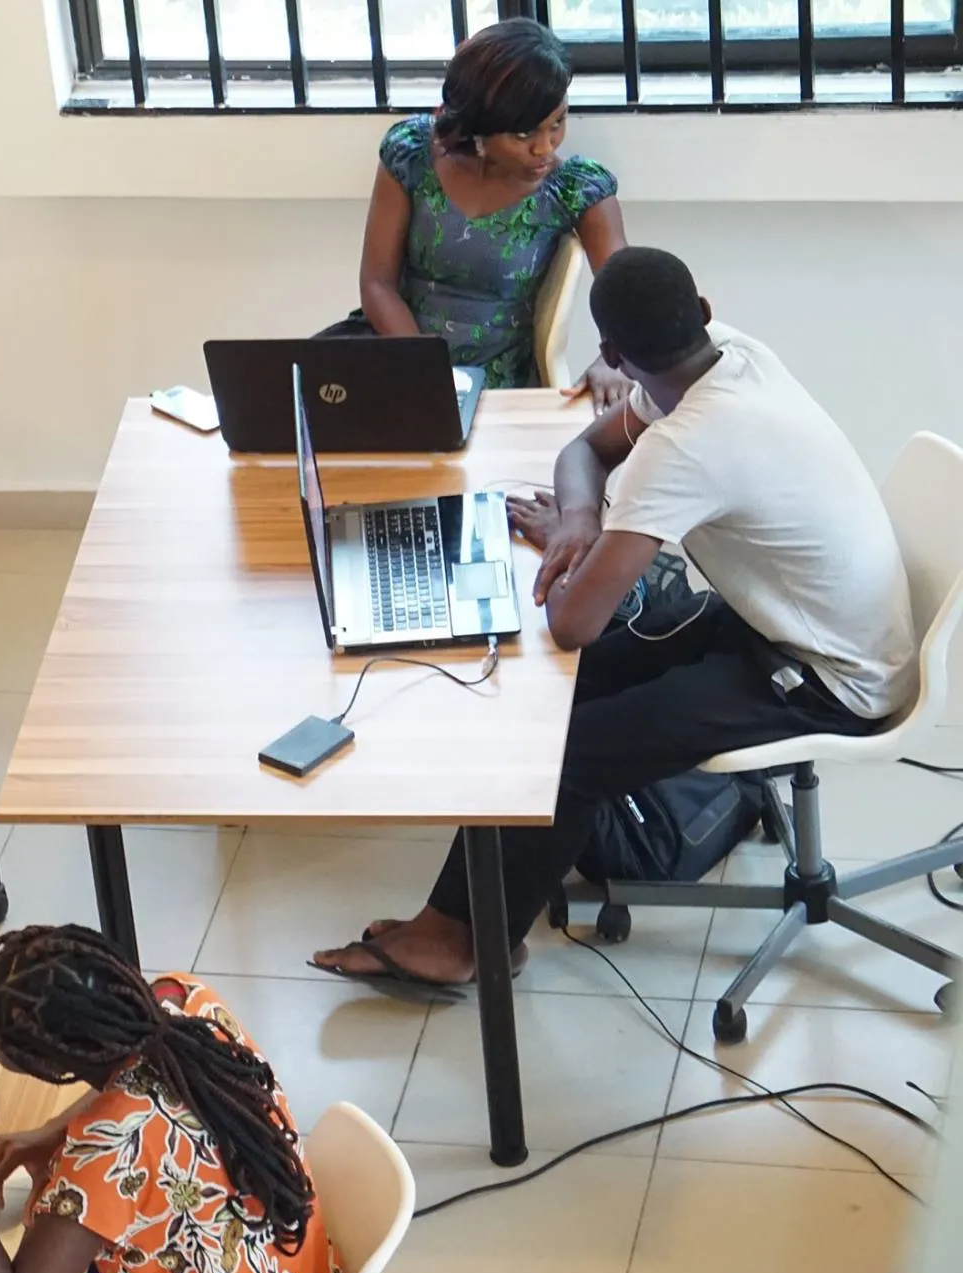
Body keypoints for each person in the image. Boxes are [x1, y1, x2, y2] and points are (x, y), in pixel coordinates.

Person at [310, 247, 916, 987]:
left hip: (829, 678)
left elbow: (573, 622)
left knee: (566, 755)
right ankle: (463, 919)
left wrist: (581, 545)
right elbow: (585, 451)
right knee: (561, 693)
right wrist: (579, 521)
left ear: (613, 355)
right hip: (782, 623)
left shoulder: (686, 446)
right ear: (702, 312)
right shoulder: (731, 357)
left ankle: (460, 944)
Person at [0, 925, 345, 1273]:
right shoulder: (185, 1001)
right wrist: (52, 1132)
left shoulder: (106, 1153)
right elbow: (131, 1085)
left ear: (45, 1065)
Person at [335, 19, 629, 407]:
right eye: (524, 134)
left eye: (557, 122)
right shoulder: (412, 154)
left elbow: (630, 294)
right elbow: (377, 284)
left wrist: (613, 362)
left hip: (492, 387)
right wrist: (425, 370)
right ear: (478, 127)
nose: (545, 147)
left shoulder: (575, 189)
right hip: (398, 352)